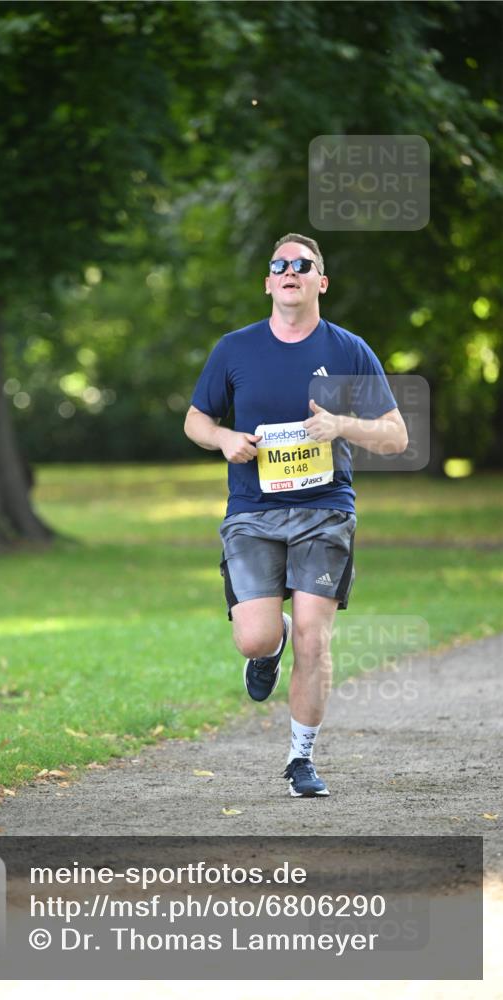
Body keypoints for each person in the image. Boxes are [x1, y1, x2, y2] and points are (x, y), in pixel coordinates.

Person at [184, 233, 408, 797]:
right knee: (255, 640)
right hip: (253, 512)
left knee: (316, 638)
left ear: (320, 281)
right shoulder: (234, 349)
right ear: (268, 282)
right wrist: (223, 438)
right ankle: (270, 643)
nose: (291, 271)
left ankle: (300, 759)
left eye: (302, 265)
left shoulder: (350, 349)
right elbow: (194, 419)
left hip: (325, 510)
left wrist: (342, 426)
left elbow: (396, 437)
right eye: (280, 264)